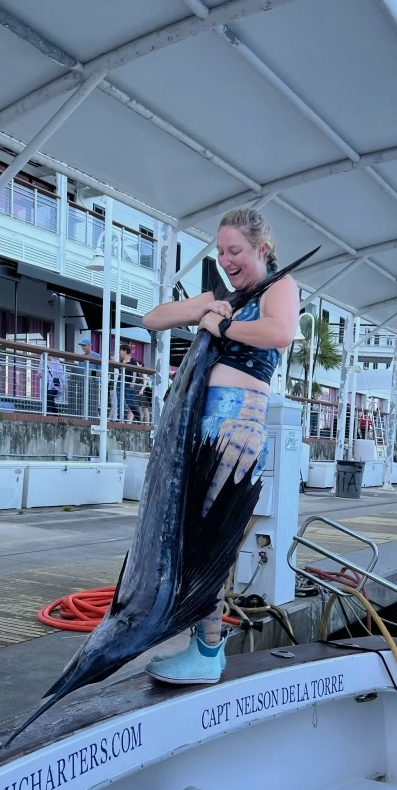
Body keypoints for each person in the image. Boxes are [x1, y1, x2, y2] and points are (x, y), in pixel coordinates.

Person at [141, 207, 298, 685]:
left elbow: (280, 334)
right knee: (193, 536)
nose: (227, 259)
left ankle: (208, 652)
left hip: (238, 426)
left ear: (262, 250)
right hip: (204, 427)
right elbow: (152, 318)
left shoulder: (280, 286)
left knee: (211, 541)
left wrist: (221, 328)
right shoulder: (227, 296)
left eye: (236, 251)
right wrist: (203, 309)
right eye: (221, 251)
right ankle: (200, 644)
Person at [119, 343, 143, 422]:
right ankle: (119, 418)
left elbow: (135, 371)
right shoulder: (121, 360)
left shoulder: (132, 360)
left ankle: (137, 416)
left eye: (121, 350)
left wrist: (133, 381)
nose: (120, 352)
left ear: (125, 351)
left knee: (129, 400)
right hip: (120, 381)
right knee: (119, 399)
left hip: (128, 382)